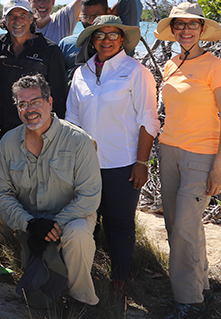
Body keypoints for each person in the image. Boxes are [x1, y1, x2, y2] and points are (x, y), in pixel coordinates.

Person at [66, 16, 159, 295]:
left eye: (112, 35)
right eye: (99, 35)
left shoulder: (135, 71)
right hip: (85, 165)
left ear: (122, 39)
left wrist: (141, 163)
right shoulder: (80, 73)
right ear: (92, 40)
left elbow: (149, 120)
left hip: (122, 163)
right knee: (86, 222)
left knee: (119, 223)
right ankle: (87, 276)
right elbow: (70, 119)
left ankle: (119, 279)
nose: (106, 40)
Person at [0, 75, 101, 307]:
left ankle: (81, 300)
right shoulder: (8, 143)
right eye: (22, 104)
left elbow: (89, 196)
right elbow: (1, 193)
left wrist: (55, 224)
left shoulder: (79, 141)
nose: (29, 109)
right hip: (29, 223)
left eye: (35, 102)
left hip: (72, 218)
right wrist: (29, 224)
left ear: (50, 102)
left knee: (78, 234)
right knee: (37, 295)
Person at [154, 2, 221, 319]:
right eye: (180, 25)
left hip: (201, 155)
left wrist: (218, 167)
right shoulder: (170, 65)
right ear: (173, 30)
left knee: (185, 227)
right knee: (178, 226)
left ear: (201, 29)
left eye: (192, 25)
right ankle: (202, 285)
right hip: (168, 151)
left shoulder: (216, 67)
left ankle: (189, 302)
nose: (186, 31)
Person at [0, 0, 67, 147]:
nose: (17, 21)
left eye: (23, 16)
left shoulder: (50, 51)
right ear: (4, 20)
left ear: (32, 18)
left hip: (35, 132)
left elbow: (59, 96)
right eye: (11, 16)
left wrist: (54, 136)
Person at [59, 0, 143, 80]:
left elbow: (130, 0)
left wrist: (110, 17)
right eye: (85, 17)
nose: (90, 22)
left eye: (96, 17)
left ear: (108, 12)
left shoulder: (116, 45)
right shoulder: (67, 44)